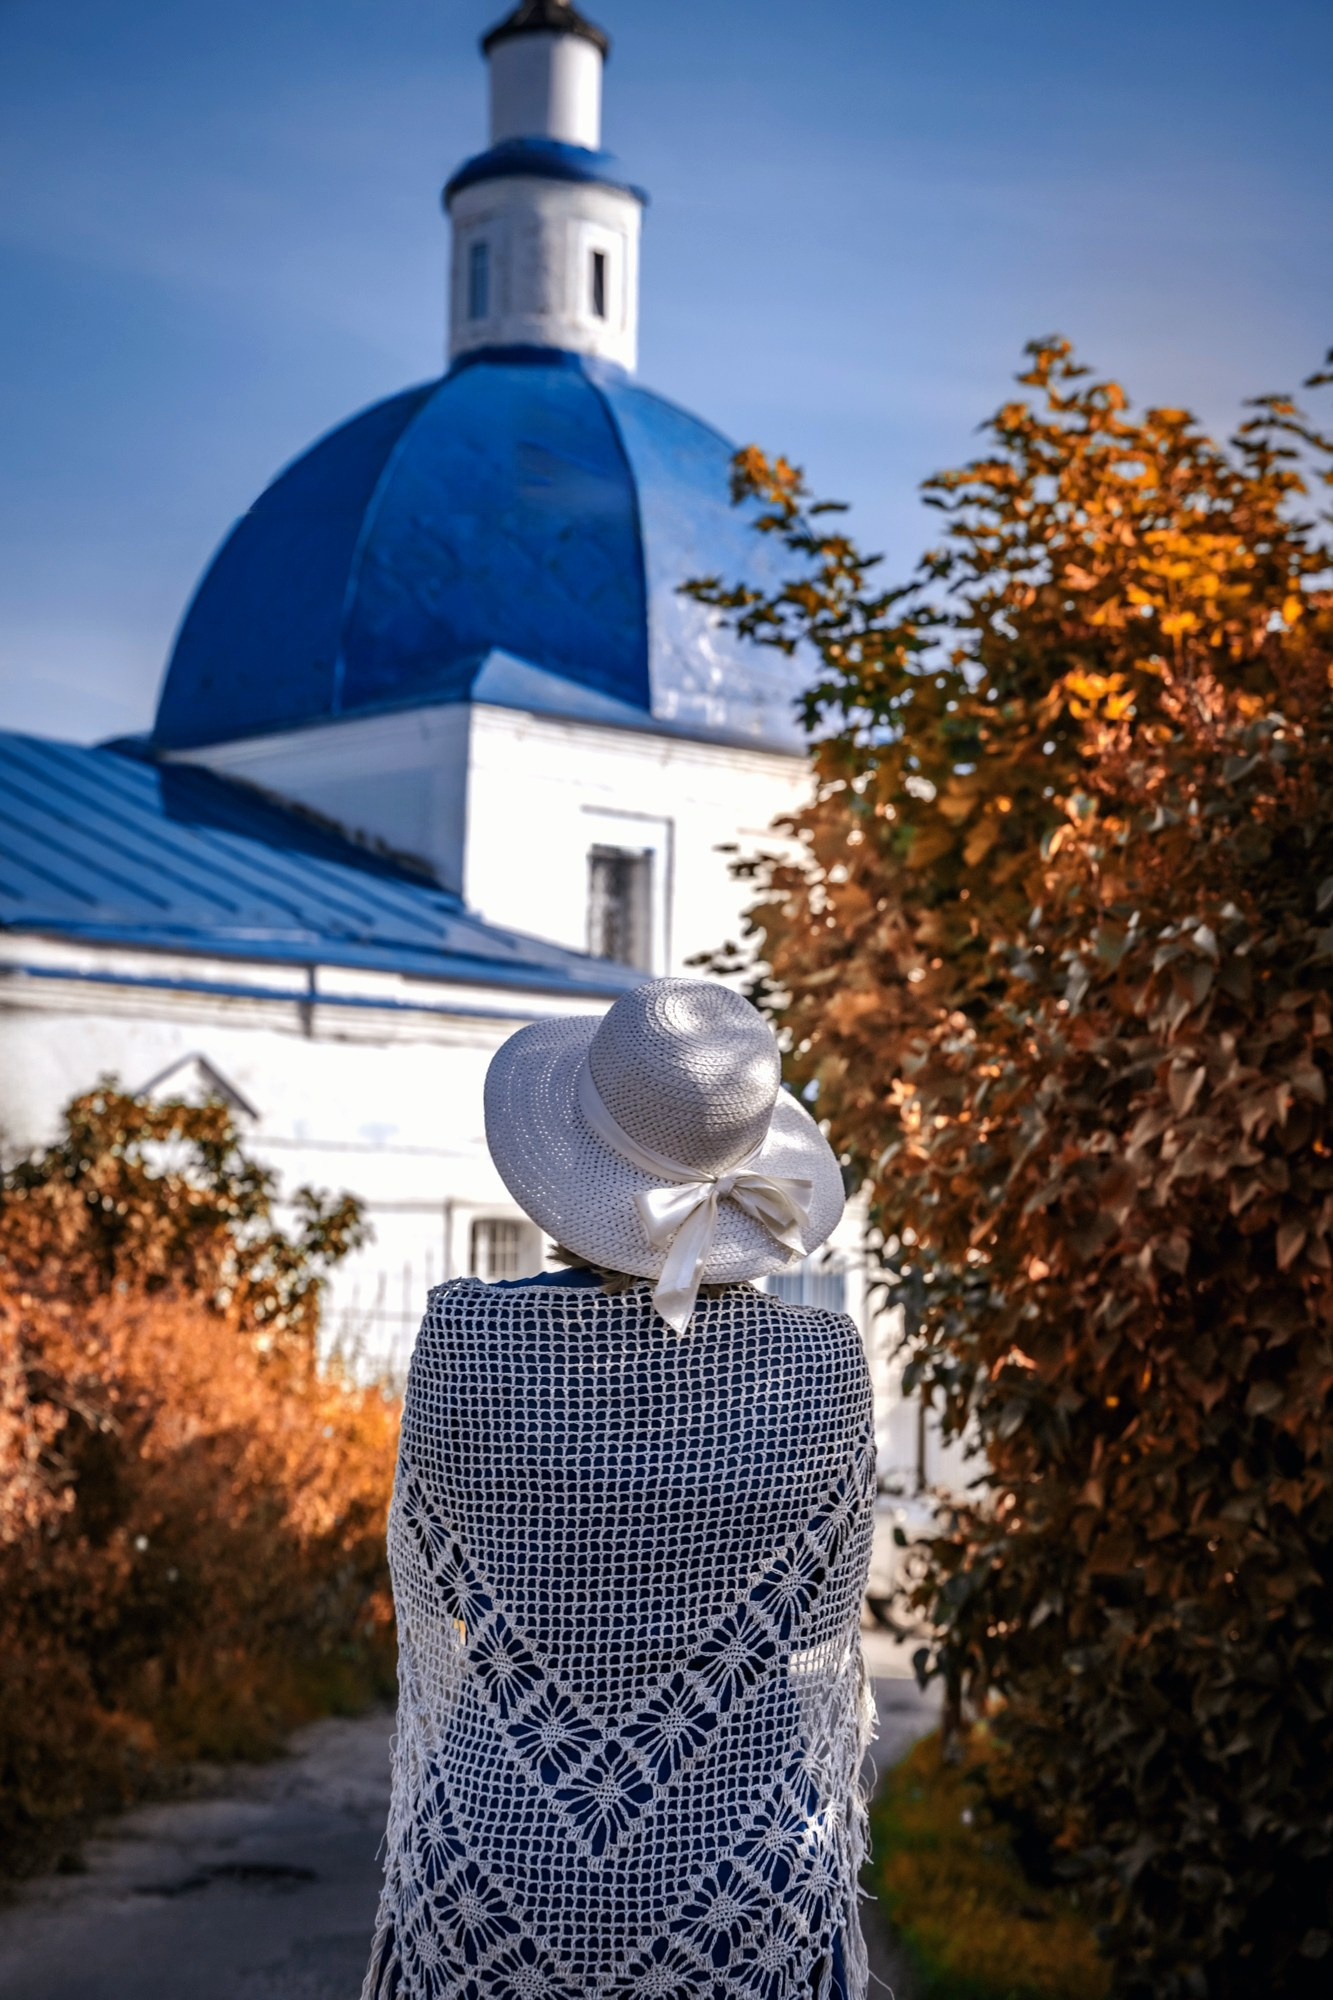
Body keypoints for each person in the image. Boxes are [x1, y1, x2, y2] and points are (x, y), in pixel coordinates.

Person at [361, 978, 876, 1999]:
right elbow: (818, 1617)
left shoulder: (467, 1339)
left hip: (496, 1853)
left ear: (569, 1161)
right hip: (745, 1867)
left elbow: (438, 1581)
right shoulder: (822, 1362)